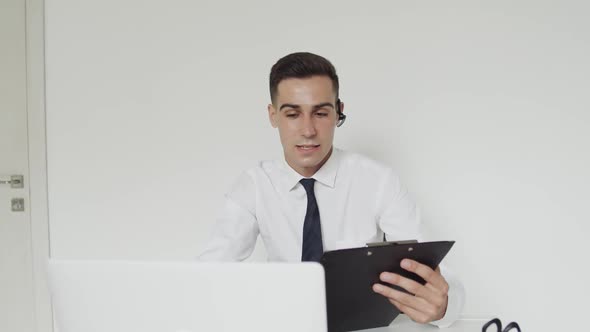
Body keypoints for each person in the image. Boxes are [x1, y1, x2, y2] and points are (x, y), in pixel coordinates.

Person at [198, 52, 465, 327]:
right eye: (292, 114)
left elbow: (438, 272)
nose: (308, 130)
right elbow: (207, 273)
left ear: (338, 112)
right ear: (273, 115)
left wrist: (443, 306)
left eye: (321, 113)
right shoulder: (254, 185)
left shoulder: (378, 181)